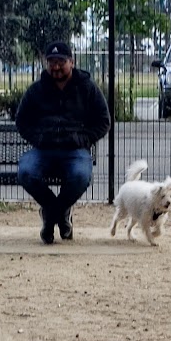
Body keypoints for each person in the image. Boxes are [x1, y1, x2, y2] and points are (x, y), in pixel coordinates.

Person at [13, 41, 110, 244]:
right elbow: (21, 120)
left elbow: (104, 121)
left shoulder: (87, 88)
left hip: (75, 151)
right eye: (51, 62)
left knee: (81, 176)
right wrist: (38, 138)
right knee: (26, 172)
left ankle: (49, 217)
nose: (56, 67)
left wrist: (83, 139)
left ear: (71, 62)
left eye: (61, 62)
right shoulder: (36, 90)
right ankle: (61, 213)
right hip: (43, 150)